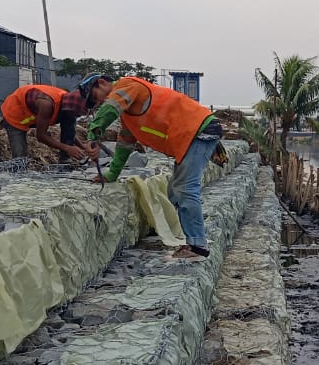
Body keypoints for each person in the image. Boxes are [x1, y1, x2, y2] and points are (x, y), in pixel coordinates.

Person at [86, 75, 223, 259]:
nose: (100, 102)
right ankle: (195, 236)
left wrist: (94, 131)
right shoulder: (129, 117)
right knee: (175, 192)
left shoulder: (128, 86)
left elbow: (111, 106)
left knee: (185, 189)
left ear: (102, 83)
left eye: (96, 96)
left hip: (197, 132)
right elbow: (124, 145)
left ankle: (197, 246)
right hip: (190, 136)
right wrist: (112, 174)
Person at [0, 79, 102, 163]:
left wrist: (82, 146)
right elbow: (41, 136)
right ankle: (18, 177)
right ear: (74, 108)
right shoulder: (46, 105)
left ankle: (65, 160)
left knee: (69, 122)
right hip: (15, 113)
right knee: (20, 157)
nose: (78, 116)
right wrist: (68, 148)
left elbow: (69, 131)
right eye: (79, 113)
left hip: (34, 111)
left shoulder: (67, 101)